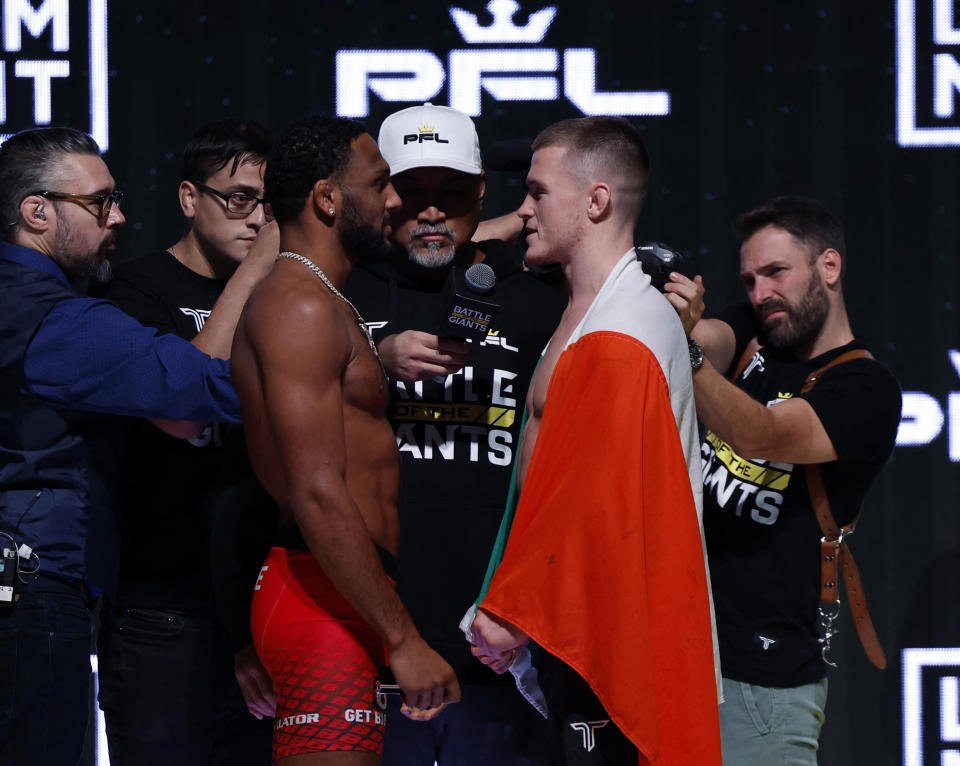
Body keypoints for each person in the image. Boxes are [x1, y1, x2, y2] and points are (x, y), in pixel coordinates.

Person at [0, 126, 271, 766]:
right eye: (99, 203)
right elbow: (201, 388)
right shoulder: (52, 317)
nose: (118, 215)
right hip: (33, 591)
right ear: (37, 212)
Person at [468, 116, 722, 766]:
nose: (522, 209)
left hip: (605, 639)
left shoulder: (623, 335)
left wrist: (514, 611)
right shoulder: (589, 313)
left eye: (538, 192)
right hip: (574, 632)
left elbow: (597, 501)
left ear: (596, 200)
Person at [232, 115, 461, 764]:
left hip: (342, 590)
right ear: (328, 198)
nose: (396, 201)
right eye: (381, 183)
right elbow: (315, 489)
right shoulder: (298, 305)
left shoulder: (323, 298)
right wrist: (403, 639)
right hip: (318, 595)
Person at [343, 102, 564, 766]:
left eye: (452, 192)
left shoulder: (538, 300)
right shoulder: (341, 295)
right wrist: (369, 361)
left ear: (481, 193)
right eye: (411, 192)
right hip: (368, 646)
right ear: (381, 193)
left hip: (499, 648)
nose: (431, 211)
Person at [663, 196, 901, 765]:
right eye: (748, 278)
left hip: (763, 679)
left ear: (829, 267)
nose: (759, 292)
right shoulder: (754, 330)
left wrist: (683, 349)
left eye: (776, 272)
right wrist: (677, 323)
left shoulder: (866, 389)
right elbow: (715, 338)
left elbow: (764, 435)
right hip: (681, 653)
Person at [95, 119, 277, 765]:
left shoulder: (291, 295)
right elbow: (180, 407)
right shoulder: (132, 291)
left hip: (263, 610)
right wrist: (254, 275)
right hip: (161, 609)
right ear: (188, 198)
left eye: (268, 202)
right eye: (238, 198)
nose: (257, 219)